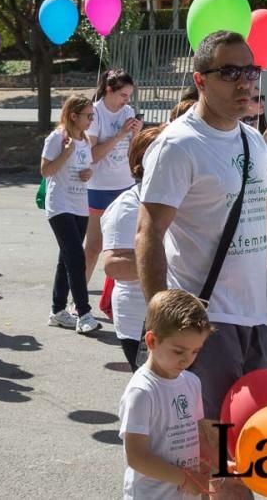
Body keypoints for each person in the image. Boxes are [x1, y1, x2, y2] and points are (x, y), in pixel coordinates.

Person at [137, 31, 267, 491]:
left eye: (250, 71)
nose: (244, 83)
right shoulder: (179, 145)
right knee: (217, 459)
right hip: (206, 324)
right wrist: (164, 320)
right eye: (230, 72)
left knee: (255, 453)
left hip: (256, 320)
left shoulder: (252, 142)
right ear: (201, 80)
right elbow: (149, 233)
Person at [118, 289, 214, 499]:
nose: (187, 360)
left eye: (195, 351)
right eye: (179, 351)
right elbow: (137, 457)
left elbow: (197, 435)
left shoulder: (191, 383)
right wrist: (186, 479)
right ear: (152, 341)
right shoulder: (142, 391)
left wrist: (216, 463)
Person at [102, 125, 165, 371]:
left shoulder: (178, 198)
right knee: (156, 393)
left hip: (176, 312)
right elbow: (114, 265)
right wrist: (174, 260)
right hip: (140, 317)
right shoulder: (128, 205)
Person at [40, 95, 101, 335]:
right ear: (73, 115)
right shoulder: (57, 138)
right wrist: (65, 153)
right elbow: (45, 171)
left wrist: (88, 173)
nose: (91, 120)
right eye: (88, 115)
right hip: (60, 205)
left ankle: (57, 311)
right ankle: (83, 313)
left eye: (92, 115)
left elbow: (85, 169)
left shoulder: (85, 140)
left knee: (65, 259)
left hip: (79, 204)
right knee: (76, 258)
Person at [86, 70, 142, 291]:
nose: (126, 101)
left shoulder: (127, 111)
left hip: (125, 185)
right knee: (94, 247)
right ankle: (77, 300)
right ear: (109, 90)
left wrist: (136, 135)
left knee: (123, 249)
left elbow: (132, 152)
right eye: (123, 95)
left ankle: (111, 298)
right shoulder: (95, 113)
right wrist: (119, 134)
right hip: (99, 187)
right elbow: (92, 155)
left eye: (129, 96)